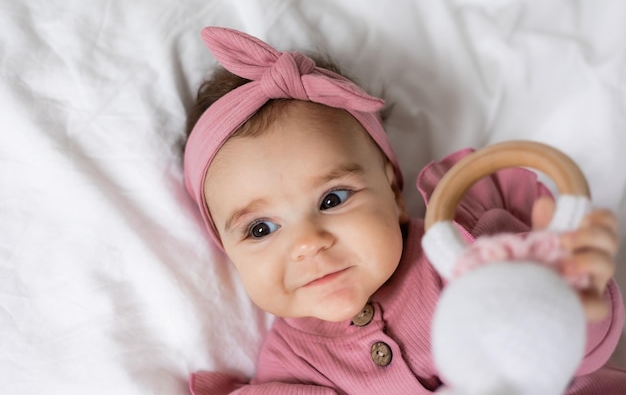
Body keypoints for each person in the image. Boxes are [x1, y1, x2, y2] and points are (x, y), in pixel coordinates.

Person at [183, 26, 626, 394]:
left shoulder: (469, 250)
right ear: (226, 250)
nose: (308, 243)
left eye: (332, 199)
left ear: (393, 193)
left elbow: (576, 350)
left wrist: (557, 290)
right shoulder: (294, 365)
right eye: (260, 229)